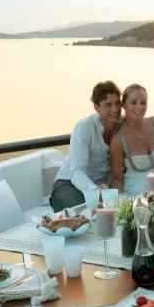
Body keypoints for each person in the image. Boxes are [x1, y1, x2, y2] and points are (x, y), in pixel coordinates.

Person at [49, 81, 121, 212]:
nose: (115, 109)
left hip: (101, 188)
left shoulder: (122, 126)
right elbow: (76, 172)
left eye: (117, 103)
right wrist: (96, 191)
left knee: (116, 211)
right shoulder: (84, 127)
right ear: (97, 107)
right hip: (68, 185)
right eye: (108, 105)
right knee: (89, 212)